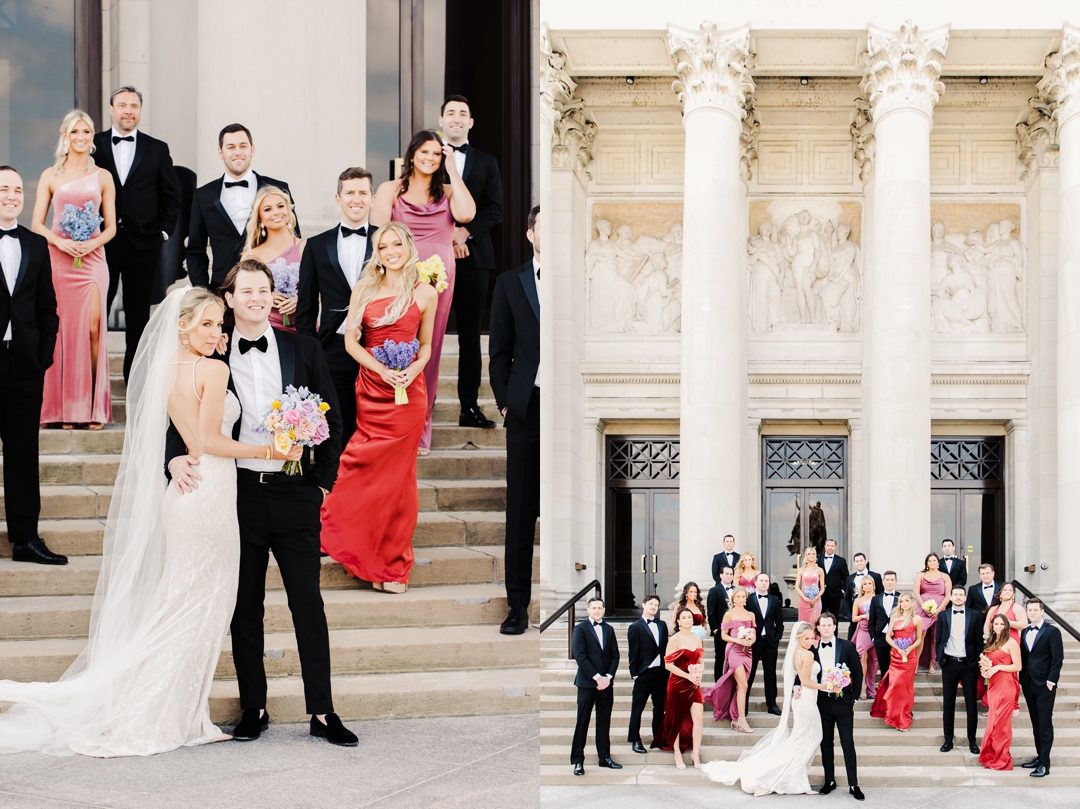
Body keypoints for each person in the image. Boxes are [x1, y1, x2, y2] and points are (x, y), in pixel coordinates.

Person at [0, 287, 302, 755]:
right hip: (209, 493)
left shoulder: (167, 368)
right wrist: (273, 451)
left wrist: (206, 350)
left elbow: (184, 436)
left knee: (182, 605)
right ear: (181, 326)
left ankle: (170, 710)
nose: (216, 333)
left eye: (219, 325)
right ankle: (164, 715)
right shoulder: (214, 370)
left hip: (184, 495)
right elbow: (207, 443)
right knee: (197, 609)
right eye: (206, 324)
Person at [165, 260, 356, 747]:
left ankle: (323, 711)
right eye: (246, 290)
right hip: (238, 494)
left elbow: (334, 419)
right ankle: (254, 706)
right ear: (229, 299)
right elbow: (180, 408)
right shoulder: (213, 348)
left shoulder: (303, 347)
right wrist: (172, 458)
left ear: (274, 296)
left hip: (296, 494)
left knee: (307, 603)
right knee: (244, 606)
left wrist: (322, 484)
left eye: (264, 290)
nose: (256, 298)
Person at [319, 223, 437, 594]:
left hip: (409, 395)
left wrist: (413, 369)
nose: (390, 251)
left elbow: (427, 345)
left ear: (408, 246)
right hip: (372, 389)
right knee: (359, 464)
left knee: (400, 482)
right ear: (378, 253)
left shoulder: (426, 292)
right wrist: (381, 370)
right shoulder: (365, 288)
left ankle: (394, 567)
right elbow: (351, 342)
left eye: (396, 244)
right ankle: (359, 548)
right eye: (383, 246)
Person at [371, 129, 476, 455]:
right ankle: (392, 421)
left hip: (437, 280)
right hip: (398, 276)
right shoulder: (390, 189)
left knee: (427, 350)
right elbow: (377, 232)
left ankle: (421, 426)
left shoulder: (449, 191)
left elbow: (467, 214)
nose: (430, 158)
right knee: (395, 345)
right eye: (424, 152)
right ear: (413, 154)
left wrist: (453, 171)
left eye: (436, 154)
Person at [33, 110, 116, 430]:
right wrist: (61, 242)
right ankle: (65, 409)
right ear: (64, 136)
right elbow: (37, 224)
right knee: (62, 332)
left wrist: (91, 243)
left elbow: (111, 228)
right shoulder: (49, 175)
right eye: (75, 131)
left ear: (92, 137)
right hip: (59, 259)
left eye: (86, 131)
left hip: (93, 260)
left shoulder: (103, 176)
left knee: (94, 329)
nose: (80, 137)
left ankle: (92, 408)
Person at [94, 85, 180, 382]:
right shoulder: (94, 144)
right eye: (122, 105)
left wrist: (163, 234)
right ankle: (93, 380)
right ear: (111, 109)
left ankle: (134, 381)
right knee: (95, 314)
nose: (128, 110)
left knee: (138, 316)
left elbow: (172, 197)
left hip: (143, 244)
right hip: (100, 243)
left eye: (134, 105)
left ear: (140, 111)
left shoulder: (157, 148)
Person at [0, 166, 64, 565]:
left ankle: (25, 540)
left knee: (23, 455)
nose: (12, 195)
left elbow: (46, 306)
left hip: (25, 365)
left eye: (17, 190)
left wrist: (44, 354)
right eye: (4, 189)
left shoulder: (36, 244)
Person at [488, 206, 540, 635]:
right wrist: (506, 403)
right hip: (527, 407)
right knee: (520, 512)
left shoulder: (579, 277)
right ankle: (517, 606)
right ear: (530, 233)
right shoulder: (509, 282)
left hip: (570, 405)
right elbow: (499, 351)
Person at [296, 167, 376, 445]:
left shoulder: (387, 243)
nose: (357, 199)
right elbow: (305, 307)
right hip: (332, 347)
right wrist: (311, 351)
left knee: (372, 425)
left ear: (372, 199)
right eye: (350, 192)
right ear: (338, 198)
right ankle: (333, 473)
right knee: (333, 426)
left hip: (376, 346)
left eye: (363, 192)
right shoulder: (317, 245)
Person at [702, 621, 825, 795]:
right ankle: (796, 779)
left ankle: (798, 777)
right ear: (798, 638)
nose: (810, 641)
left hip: (802, 699)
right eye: (807, 638)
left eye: (812, 638)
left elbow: (800, 677)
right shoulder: (808, 654)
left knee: (803, 737)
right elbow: (805, 680)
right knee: (811, 737)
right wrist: (827, 687)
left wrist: (797, 685)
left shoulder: (797, 651)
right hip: (806, 699)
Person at [439, 95, 501, 430]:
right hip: (434, 257)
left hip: (474, 259)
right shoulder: (429, 158)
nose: (457, 118)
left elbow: (494, 209)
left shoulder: (487, 162)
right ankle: (422, 406)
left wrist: (465, 233)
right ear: (441, 120)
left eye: (463, 113)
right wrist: (448, 235)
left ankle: (470, 407)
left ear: (470, 122)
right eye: (451, 113)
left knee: (470, 337)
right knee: (426, 331)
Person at [187, 124, 296, 291]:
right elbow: (195, 252)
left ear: (252, 149)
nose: (237, 152)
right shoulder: (203, 196)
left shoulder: (278, 188)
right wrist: (205, 294)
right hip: (221, 290)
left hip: (269, 291)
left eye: (243, 146)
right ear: (220, 152)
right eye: (231, 147)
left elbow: (293, 240)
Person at [813, 613, 864, 800]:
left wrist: (854, 698)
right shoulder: (812, 647)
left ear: (835, 627)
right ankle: (829, 781)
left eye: (829, 625)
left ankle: (853, 784)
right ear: (818, 628)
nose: (826, 628)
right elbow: (804, 670)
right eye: (823, 625)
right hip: (822, 702)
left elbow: (858, 672)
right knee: (826, 743)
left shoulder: (847, 646)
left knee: (847, 743)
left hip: (843, 703)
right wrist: (796, 685)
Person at [240, 186, 305, 333]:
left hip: (304, 328)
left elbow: (322, 291)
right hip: (266, 329)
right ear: (260, 217)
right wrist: (266, 296)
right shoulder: (251, 255)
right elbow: (242, 294)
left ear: (288, 210)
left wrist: (301, 300)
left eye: (280, 206)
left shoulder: (306, 247)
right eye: (268, 209)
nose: (276, 212)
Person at [569, 597, 621, 776]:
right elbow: (580, 655)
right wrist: (597, 677)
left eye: (600, 608)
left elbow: (615, 655)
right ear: (588, 610)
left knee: (604, 721)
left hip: (606, 683)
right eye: (594, 608)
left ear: (604, 610)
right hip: (587, 683)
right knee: (582, 721)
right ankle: (578, 761)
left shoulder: (609, 629)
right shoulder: (580, 628)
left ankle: (604, 757)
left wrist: (608, 677)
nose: (597, 611)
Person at [651, 607, 704, 768]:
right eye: (684, 617)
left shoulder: (697, 639)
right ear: (679, 621)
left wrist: (699, 675)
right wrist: (688, 676)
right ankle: (677, 753)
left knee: (698, 719)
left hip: (694, 684)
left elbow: (700, 661)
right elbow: (668, 665)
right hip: (678, 683)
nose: (688, 620)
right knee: (676, 720)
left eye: (690, 617)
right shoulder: (674, 639)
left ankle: (695, 753)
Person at [1019, 597, 1064, 777]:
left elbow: (1057, 659)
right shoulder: (1024, 631)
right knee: (1036, 723)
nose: (1032, 613)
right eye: (1029, 610)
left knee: (1044, 724)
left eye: (1035, 610)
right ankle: (1040, 757)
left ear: (1042, 611)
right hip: (1028, 683)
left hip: (1045, 685)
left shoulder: (1052, 631)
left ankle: (1045, 764)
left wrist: (1051, 681)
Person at [702, 586, 756, 734]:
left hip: (747, 652)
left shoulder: (751, 614)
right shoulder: (729, 614)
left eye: (743, 597)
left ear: (746, 599)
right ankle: (742, 720)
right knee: (744, 685)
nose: (741, 599)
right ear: (733, 598)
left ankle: (736, 719)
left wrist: (750, 641)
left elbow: (754, 634)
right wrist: (738, 640)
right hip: (734, 651)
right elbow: (723, 635)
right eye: (738, 597)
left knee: (740, 686)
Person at [936, 585, 982, 755]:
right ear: (951, 597)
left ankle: (972, 740)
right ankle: (948, 739)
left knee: (971, 704)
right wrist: (941, 659)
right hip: (949, 664)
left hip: (968, 664)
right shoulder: (943, 615)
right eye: (955, 594)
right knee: (948, 703)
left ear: (965, 597)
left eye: (961, 595)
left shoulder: (975, 615)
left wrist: (975, 661)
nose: (958, 597)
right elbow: (939, 639)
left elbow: (978, 641)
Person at [870, 592, 924, 732]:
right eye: (901, 601)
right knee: (894, 685)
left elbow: (919, 639)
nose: (903, 603)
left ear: (911, 603)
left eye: (906, 601)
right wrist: (897, 648)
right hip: (895, 656)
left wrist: (909, 648)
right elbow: (888, 637)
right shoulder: (894, 617)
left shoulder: (917, 619)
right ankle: (893, 715)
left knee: (906, 688)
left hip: (909, 657)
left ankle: (904, 719)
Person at [979, 613, 1022, 770]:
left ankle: (1002, 759)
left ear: (1007, 626)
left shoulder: (1011, 642)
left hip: (1006, 685)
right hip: (993, 686)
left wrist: (998, 667)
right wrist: (985, 670)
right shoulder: (992, 641)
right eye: (996, 624)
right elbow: (989, 663)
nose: (998, 627)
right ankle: (991, 756)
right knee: (993, 722)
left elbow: (1018, 666)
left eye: (1001, 624)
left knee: (1001, 723)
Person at [627, 594, 668, 754]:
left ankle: (658, 737)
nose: (654, 607)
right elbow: (633, 652)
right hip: (644, 673)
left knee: (659, 708)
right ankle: (635, 739)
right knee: (637, 708)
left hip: (661, 673)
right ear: (643, 605)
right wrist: (635, 673)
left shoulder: (662, 625)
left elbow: (664, 648)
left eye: (656, 605)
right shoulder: (635, 627)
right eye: (651, 604)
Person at [982, 581, 1026, 714]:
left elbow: (1024, 624)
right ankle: (993, 705)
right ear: (1000, 593)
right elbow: (986, 626)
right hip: (994, 643)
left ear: (1014, 594)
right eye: (1004, 590)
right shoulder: (993, 609)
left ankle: (1014, 705)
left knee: (1010, 674)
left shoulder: (1017, 608)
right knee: (992, 673)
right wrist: (988, 640)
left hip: (1011, 643)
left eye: (1010, 590)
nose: (1007, 592)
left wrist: (1005, 622)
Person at [746, 573, 784, 716]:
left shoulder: (774, 600)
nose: (764, 583)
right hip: (753, 642)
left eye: (766, 581)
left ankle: (772, 704)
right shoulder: (748, 600)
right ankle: (744, 705)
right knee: (749, 674)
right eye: (761, 580)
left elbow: (779, 622)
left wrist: (777, 638)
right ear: (755, 583)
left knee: (770, 674)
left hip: (770, 642)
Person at [914, 553, 952, 672]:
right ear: (926, 563)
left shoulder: (945, 576)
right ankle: (916, 662)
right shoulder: (921, 575)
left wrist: (939, 610)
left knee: (935, 636)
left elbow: (948, 595)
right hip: (923, 608)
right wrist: (923, 607)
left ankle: (932, 662)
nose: (932, 562)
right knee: (921, 633)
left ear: (938, 562)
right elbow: (916, 592)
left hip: (939, 608)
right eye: (929, 561)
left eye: (934, 560)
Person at [868, 571, 900, 683]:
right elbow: (871, 621)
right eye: (887, 580)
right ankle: (885, 692)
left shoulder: (901, 597)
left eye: (892, 580)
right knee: (884, 668)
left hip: (897, 638)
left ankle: (895, 691)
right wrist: (874, 638)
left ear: (896, 582)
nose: (889, 582)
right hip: (880, 637)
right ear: (883, 582)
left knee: (896, 668)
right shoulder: (876, 599)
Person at [850, 576, 879, 699]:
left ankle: (871, 687)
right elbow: (853, 618)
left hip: (875, 631)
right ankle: (862, 686)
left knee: (874, 660)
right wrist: (863, 616)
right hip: (862, 630)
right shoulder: (858, 600)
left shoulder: (878, 599)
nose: (867, 585)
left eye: (869, 583)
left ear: (873, 585)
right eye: (865, 584)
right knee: (862, 656)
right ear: (862, 586)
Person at [844, 553, 883, 639]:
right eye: (857, 561)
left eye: (861, 561)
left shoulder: (876, 576)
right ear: (854, 563)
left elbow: (881, 596)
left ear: (866, 561)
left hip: (873, 618)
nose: (859, 563)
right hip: (856, 617)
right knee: (851, 641)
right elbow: (847, 599)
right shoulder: (850, 578)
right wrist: (850, 616)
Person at [707, 567, 735, 680]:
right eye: (726, 574)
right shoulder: (714, 590)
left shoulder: (736, 590)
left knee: (733, 659)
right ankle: (718, 685)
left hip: (735, 632)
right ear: (721, 575)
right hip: (721, 631)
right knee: (720, 658)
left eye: (731, 574)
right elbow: (711, 612)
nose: (729, 576)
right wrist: (715, 630)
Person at [820, 539, 849, 620]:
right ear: (825, 546)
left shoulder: (841, 561)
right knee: (820, 617)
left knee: (834, 618)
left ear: (835, 547)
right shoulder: (818, 559)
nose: (830, 547)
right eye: (828, 545)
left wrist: (842, 590)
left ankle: (834, 629)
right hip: (820, 594)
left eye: (832, 546)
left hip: (835, 594)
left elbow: (846, 577)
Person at [795, 547, 823, 624]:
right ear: (806, 556)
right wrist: (804, 597)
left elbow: (822, 588)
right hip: (803, 600)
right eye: (809, 554)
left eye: (813, 554)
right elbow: (796, 586)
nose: (811, 555)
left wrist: (816, 598)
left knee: (815, 622)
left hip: (815, 601)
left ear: (816, 555)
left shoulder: (820, 570)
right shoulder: (801, 570)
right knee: (803, 623)